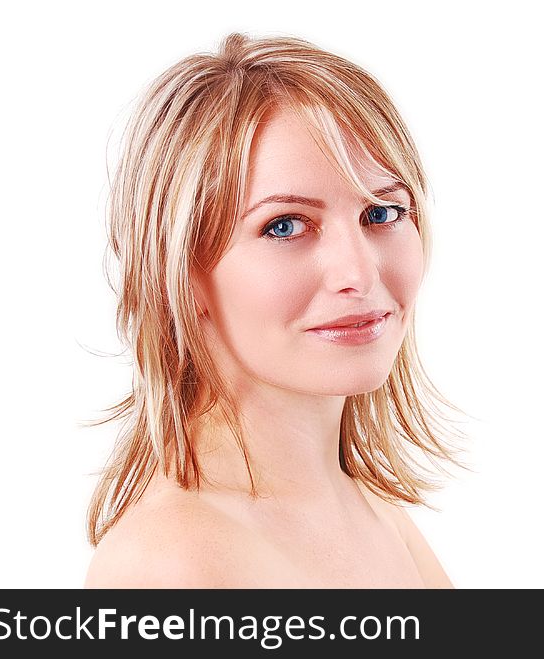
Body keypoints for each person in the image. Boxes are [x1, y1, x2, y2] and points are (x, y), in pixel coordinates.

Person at [83, 33, 466, 588]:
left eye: (382, 212)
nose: (358, 273)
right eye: (284, 225)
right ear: (180, 272)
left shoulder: (376, 516)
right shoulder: (171, 564)